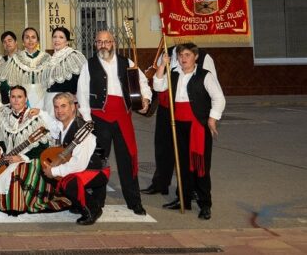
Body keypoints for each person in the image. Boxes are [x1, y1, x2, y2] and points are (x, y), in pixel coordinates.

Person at [77, 29, 150, 215]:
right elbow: (82, 92)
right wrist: (87, 119)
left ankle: (134, 202)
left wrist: (146, 99)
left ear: (113, 43)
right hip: (99, 119)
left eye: (107, 41)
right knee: (100, 160)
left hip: (123, 118)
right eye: (100, 42)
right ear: (95, 44)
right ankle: (97, 201)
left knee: (127, 160)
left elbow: (142, 83)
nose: (103, 45)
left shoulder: (127, 63)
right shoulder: (89, 65)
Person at [154, 43, 225, 220]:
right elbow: (158, 86)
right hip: (178, 125)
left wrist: (212, 118)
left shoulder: (204, 76)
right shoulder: (174, 75)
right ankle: (183, 199)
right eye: (180, 55)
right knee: (182, 165)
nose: (183, 58)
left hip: (198, 127)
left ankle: (205, 204)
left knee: (200, 167)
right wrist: (163, 65)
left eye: (187, 55)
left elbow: (219, 98)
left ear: (196, 57)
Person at [143, 46, 217, 196]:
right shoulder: (167, 51)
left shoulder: (203, 56)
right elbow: (158, 79)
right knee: (163, 147)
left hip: (190, 111)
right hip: (166, 107)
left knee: (189, 154)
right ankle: (160, 183)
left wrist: (210, 115)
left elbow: (211, 88)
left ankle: (190, 191)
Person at [41, 92, 111, 225]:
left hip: (97, 171)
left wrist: (54, 171)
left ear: (73, 107)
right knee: (45, 169)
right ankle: (77, 201)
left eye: (63, 106)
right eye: (56, 107)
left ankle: (92, 209)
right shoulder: (61, 125)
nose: (59, 110)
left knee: (68, 181)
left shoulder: (82, 130)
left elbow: (79, 165)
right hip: (83, 167)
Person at [0, 85, 58, 214]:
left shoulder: (34, 117)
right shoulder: (6, 118)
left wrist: (22, 157)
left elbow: (43, 146)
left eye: (19, 97)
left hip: (32, 159)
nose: (16, 100)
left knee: (11, 174)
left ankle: (16, 203)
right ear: (9, 99)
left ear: (26, 99)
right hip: (11, 158)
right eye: (13, 97)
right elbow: (4, 141)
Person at [0, 27, 49, 109]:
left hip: (43, 97)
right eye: (27, 37)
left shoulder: (46, 58)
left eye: (33, 37)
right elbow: (5, 83)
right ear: (23, 42)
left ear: (37, 41)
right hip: (22, 99)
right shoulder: (16, 58)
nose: (30, 40)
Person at [43, 27, 87, 114]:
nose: (57, 40)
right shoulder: (50, 59)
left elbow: (82, 81)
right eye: (54, 37)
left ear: (67, 42)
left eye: (61, 37)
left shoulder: (73, 55)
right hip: (49, 102)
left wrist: (77, 100)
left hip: (65, 103)